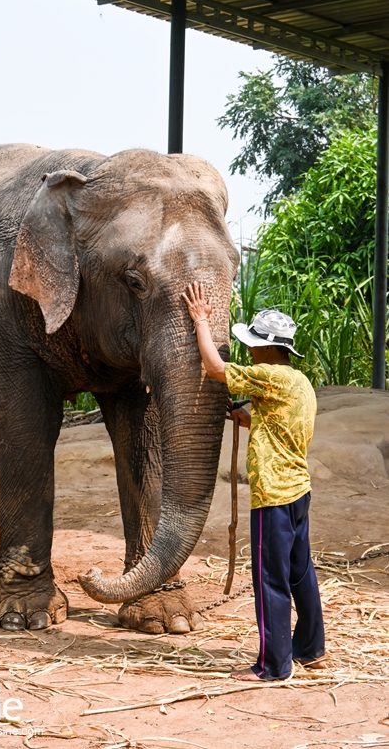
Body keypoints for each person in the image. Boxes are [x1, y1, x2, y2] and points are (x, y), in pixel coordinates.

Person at [182, 281, 326, 682]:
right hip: (298, 492)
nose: (248, 351)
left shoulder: (268, 376)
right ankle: (312, 650)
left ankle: (273, 665)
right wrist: (242, 417)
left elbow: (215, 368)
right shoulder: (300, 383)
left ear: (266, 349)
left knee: (269, 578)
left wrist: (201, 322)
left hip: (273, 497)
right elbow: (278, 426)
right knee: (300, 573)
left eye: (252, 345)